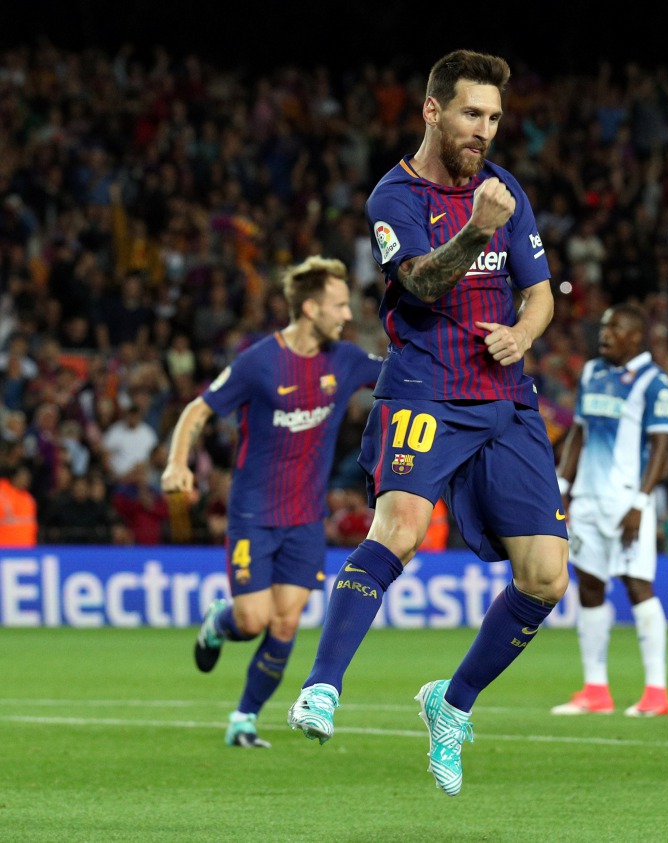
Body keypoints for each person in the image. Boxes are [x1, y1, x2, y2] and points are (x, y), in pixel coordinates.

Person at [286, 50, 569, 798]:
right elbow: (417, 284)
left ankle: (453, 702)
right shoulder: (395, 195)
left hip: (504, 396)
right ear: (433, 111)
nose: (485, 130)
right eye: (472, 113)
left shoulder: (505, 188)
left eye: (495, 117)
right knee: (401, 528)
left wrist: (524, 333)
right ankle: (322, 686)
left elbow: (540, 292)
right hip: (424, 386)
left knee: (546, 576)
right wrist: (476, 232)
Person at [162, 255, 380, 748]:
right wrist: (177, 463)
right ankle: (219, 624)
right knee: (252, 620)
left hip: (306, 519)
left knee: (285, 622)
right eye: (339, 305)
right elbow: (198, 410)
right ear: (310, 308)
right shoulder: (259, 362)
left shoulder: (345, 360)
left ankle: (244, 718)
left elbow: (402, 373)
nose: (348, 315)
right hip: (253, 514)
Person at [551, 303, 668, 717]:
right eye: (603, 326)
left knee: (638, 586)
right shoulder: (591, 373)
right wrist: (564, 486)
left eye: (614, 328)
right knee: (589, 585)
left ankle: (656, 692)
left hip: (627, 500)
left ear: (635, 337)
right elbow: (578, 433)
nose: (604, 334)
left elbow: (661, 446)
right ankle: (595, 690)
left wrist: (641, 502)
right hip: (587, 497)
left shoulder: (654, 382)